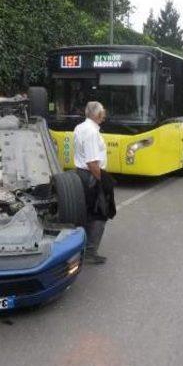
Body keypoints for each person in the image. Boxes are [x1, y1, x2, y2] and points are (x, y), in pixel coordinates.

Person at [73, 101, 116, 265]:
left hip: (81, 174)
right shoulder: (91, 132)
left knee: (87, 212)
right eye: (103, 112)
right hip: (92, 175)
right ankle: (90, 251)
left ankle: (82, 248)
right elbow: (92, 163)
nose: (104, 114)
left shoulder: (80, 127)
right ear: (97, 115)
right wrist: (104, 181)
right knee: (100, 212)